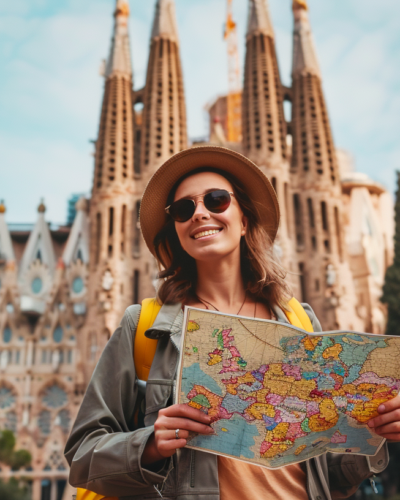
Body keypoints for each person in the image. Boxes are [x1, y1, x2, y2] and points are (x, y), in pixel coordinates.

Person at [65, 146, 398, 500]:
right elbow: (82, 457)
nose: (199, 214)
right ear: (175, 229)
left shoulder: (298, 322)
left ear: (244, 220)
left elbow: (328, 475)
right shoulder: (145, 327)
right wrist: (149, 444)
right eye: (183, 209)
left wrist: (374, 432)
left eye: (216, 200)